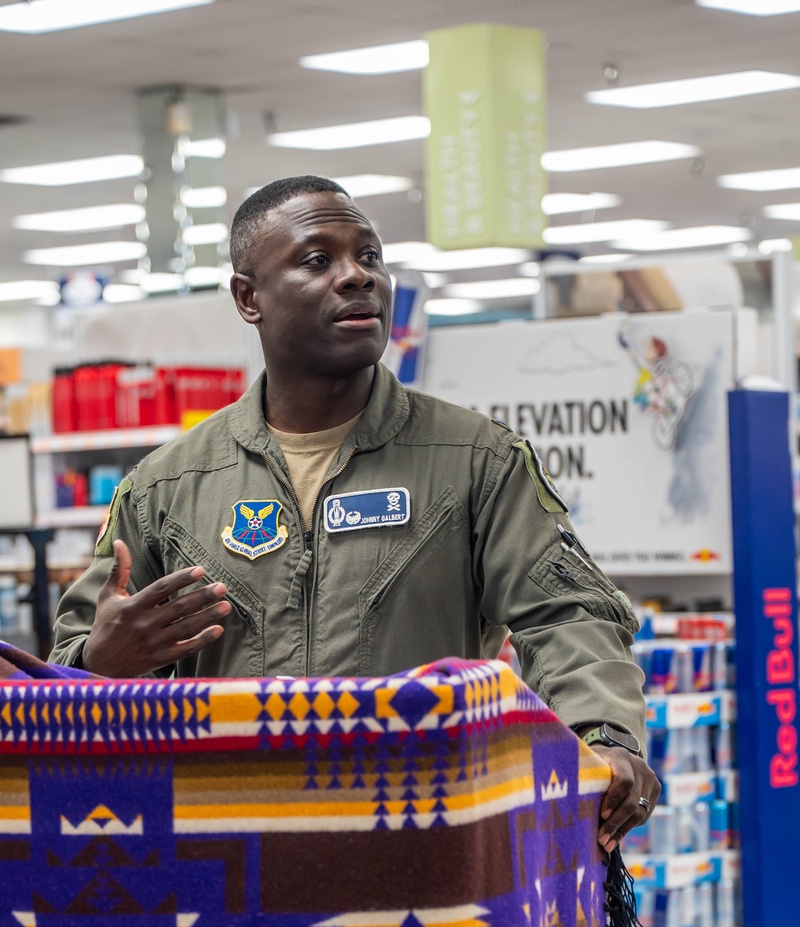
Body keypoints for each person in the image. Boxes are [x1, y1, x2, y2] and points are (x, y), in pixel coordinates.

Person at [51, 175, 660, 850]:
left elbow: (567, 613)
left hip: (423, 853)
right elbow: (64, 672)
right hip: (225, 859)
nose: (358, 277)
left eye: (369, 256)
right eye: (318, 260)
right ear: (248, 298)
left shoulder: (474, 459)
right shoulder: (165, 486)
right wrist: (100, 661)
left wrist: (603, 734)